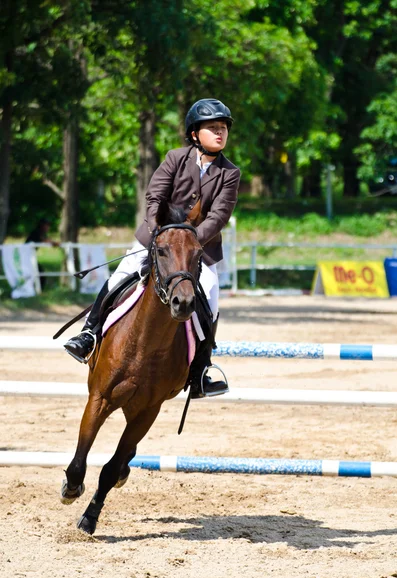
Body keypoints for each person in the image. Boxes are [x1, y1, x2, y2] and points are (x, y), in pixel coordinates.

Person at [64, 98, 241, 398]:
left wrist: (187, 241)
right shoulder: (175, 158)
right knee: (120, 277)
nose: (220, 133)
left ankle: (201, 369)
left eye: (223, 128)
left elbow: (219, 216)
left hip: (198, 248)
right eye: (212, 128)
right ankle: (88, 334)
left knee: (209, 296)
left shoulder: (230, 173)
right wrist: (160, 233)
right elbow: (154, 196)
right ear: (195, 133)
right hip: (156, 238)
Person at [25, 218, 59, 290]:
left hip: (29, 256)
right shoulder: (37, 232)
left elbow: (47, 240)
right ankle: (38, 290)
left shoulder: (39, 232)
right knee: (40, 274)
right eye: (47, 225)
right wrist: (55, 243)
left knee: (39, 273)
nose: (48, 227)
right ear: (42, 226)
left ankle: (37, 289)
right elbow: (47, 241)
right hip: (26, 257)